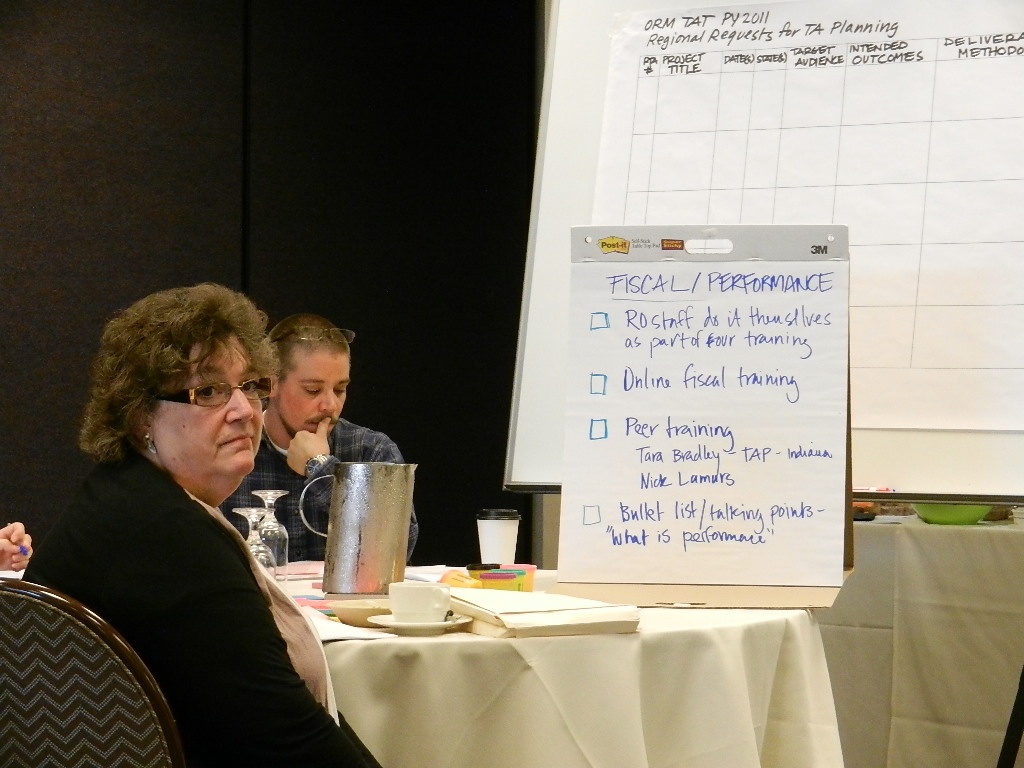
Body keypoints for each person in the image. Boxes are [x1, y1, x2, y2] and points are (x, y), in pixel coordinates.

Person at [24, 284, 382, 768]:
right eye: (209, 391)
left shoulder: (128, 496)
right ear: (140, 416)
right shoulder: (165, 537)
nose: (244, 410)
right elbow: (290, 738)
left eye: (251, 386)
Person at [223, 313, 418, 563]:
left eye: (340, 389)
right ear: (270, 385)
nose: (330, 405)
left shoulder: (371, 450)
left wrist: (320, 465)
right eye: (312, 390)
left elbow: (398, 549)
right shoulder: (235, 449)